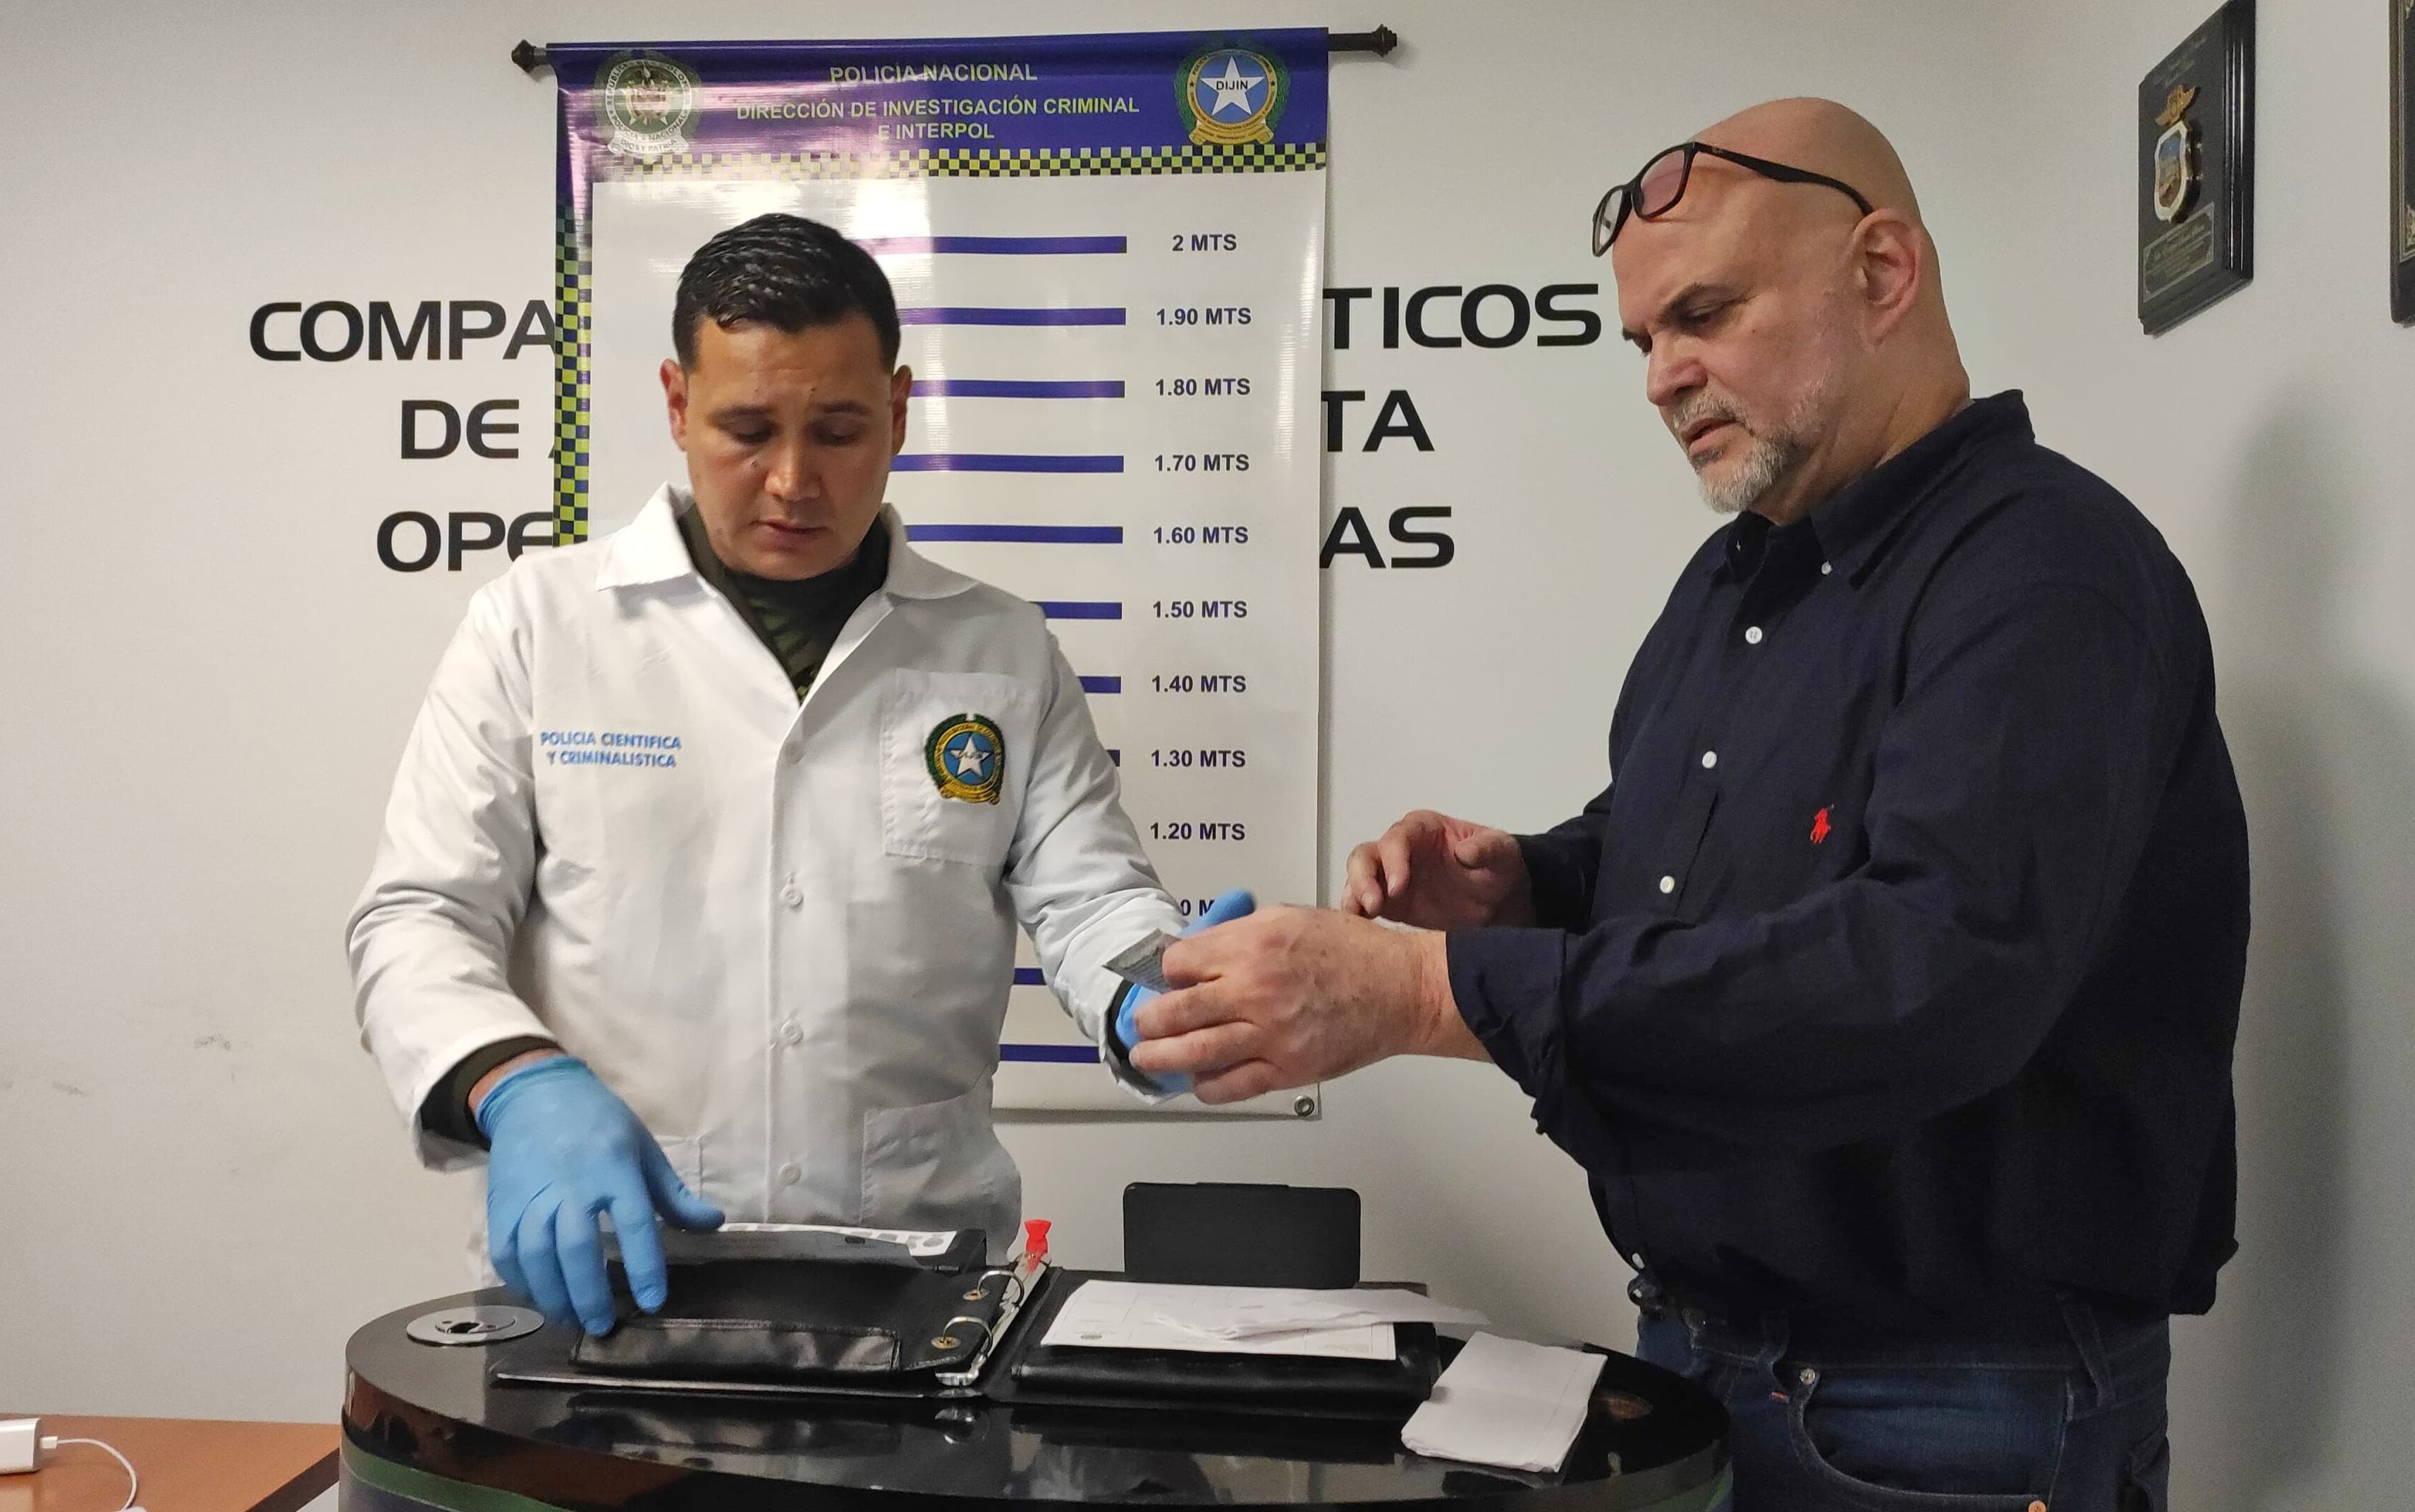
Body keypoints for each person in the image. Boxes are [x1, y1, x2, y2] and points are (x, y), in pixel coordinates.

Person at [1128, 99, 2246, 1509]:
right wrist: (1526, 880)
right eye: (1645, 338)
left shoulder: (2045, 575)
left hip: (1950, 1408)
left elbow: (1930, 971)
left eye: (1705, 313)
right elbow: (1708, 862)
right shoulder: (1736, 580)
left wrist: (1428, 989)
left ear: (1882, 274)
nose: (1664, 375)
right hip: (1710, 1355)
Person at [348, 212, 1208, 1338]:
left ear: (898, 412)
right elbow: (418, 916)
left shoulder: (997, 649)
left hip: (916, 1294)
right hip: (605, 1280)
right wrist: (516, 1085)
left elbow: (1091, 897)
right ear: (675, 403)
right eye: (747, 428)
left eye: (840, 430)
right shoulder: (538, 628)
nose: (793, 480)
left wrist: (1163, 991)